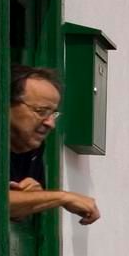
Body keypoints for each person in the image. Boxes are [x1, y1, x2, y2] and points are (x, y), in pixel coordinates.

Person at [7, 67, 101, 224]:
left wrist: (32, 197)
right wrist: (63, 197)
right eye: (41, 111)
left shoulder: (34, 149)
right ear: (7, 105)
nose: (51, 123)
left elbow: (17, 212)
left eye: (53, 114)